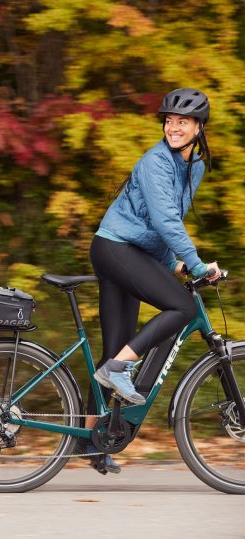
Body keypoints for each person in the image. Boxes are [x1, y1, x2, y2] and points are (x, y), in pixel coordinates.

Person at [80, 88, 220, 474]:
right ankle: (117, 370)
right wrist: (193, 263)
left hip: (133, 252)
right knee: (183, 306)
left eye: (183, 122)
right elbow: (164, 221)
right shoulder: (155, 162)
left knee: (115, 347)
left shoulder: (194, 167)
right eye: (169, 121)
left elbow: (164, 220)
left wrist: (174, 262)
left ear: (198, 128)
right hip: (114, 247)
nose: (173, 127)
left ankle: (89, 445)